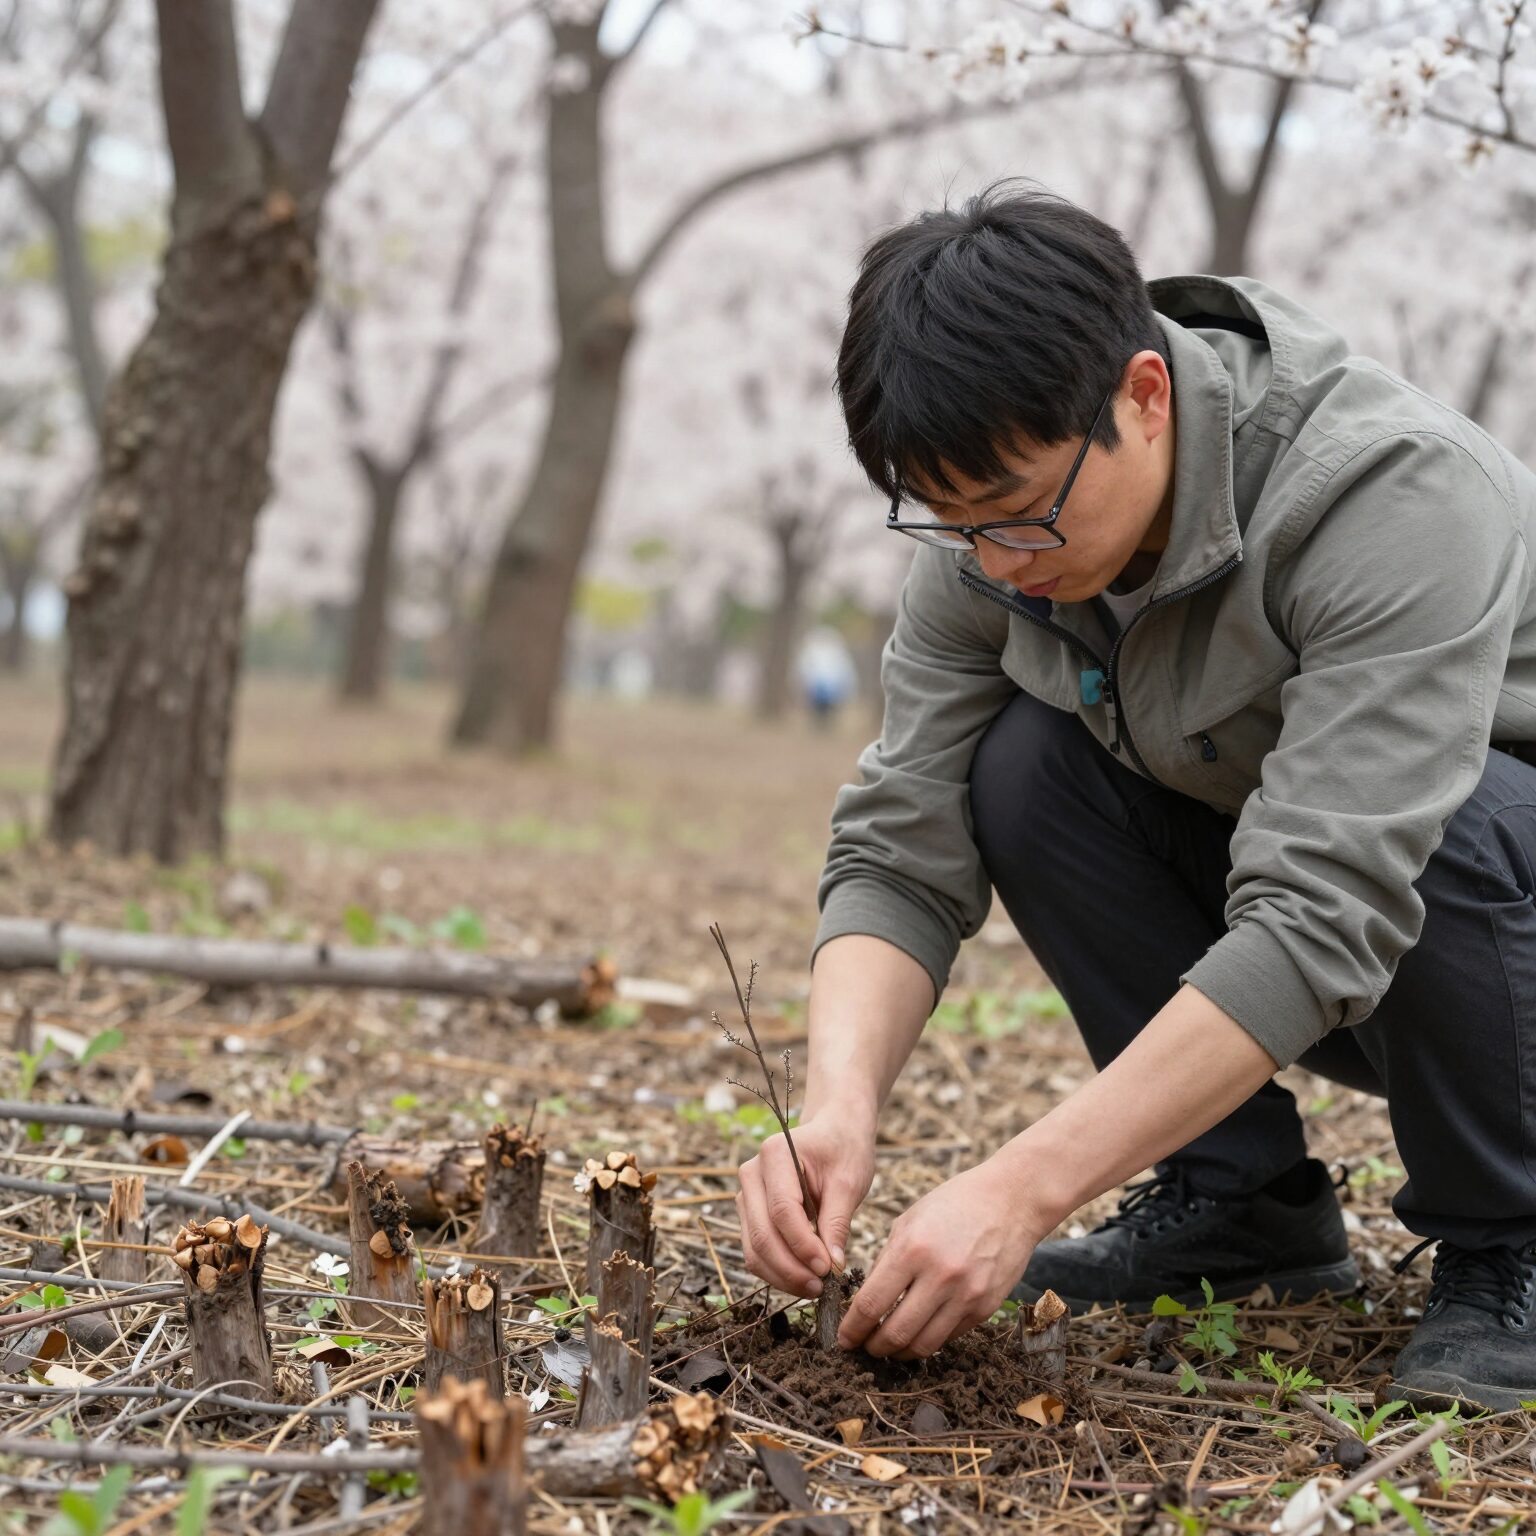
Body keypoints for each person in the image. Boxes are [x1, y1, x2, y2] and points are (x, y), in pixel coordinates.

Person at [732, 179, 1536, 1412]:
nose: (997, 563)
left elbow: (1329, 907)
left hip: (1478, 925)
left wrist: (1022, 1185)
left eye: (1018, 516)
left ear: (1143, 398)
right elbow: (902, 843)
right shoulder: (993, 543)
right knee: (1025, 765)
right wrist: (836, 1106)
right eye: (953, 527)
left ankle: (1513, 1241)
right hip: (1377, 959)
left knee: (1452, 806)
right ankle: (1242, 1212)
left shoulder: (1388, 495)